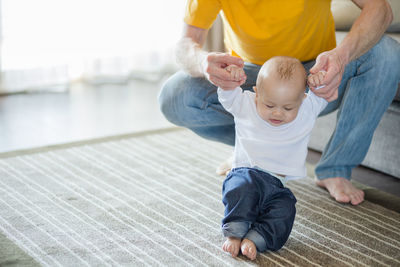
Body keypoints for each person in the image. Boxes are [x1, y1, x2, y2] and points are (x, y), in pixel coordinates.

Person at [158, 0, 400, 206]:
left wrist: (340, 56)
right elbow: (185, 44)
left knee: (386, 52)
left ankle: (335, 169)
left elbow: (380, 8)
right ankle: (252, 154)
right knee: (175, 95)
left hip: (316, 72)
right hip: (251, 76)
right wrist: (202, 62)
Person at [219, 56, 327, 260]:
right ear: (256, 93)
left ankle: (257, 237)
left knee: (286, 208)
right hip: (246, 173)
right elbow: (228, 96)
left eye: (288, 108)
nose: (277, 113)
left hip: (277, 185)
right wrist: (230, 80)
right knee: (242, 189)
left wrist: (319, 82)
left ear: (302, 99)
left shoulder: (306, 110)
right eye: (269, 105)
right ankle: (235, 233)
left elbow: (322, 95)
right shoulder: (246, 105)